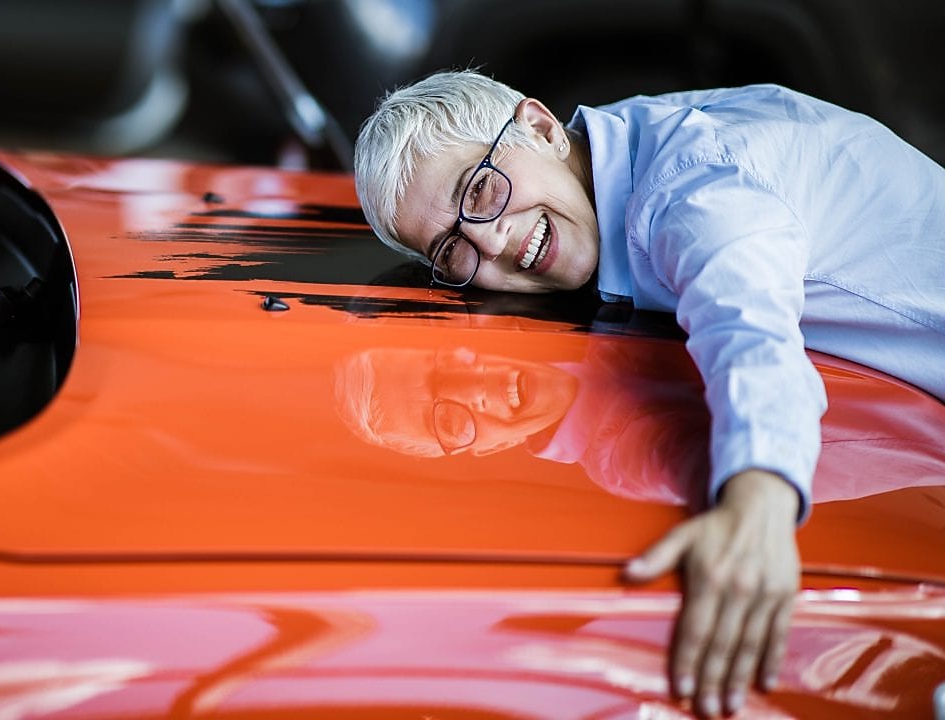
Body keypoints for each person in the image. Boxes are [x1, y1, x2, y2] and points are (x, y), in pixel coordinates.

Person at [352, 70, 945, 717]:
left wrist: (759, 510)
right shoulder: (609, 155)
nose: (491, 242)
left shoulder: (693, 183)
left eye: (481, 190)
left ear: (541, 126)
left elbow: (747, 331)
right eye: (451, 249)